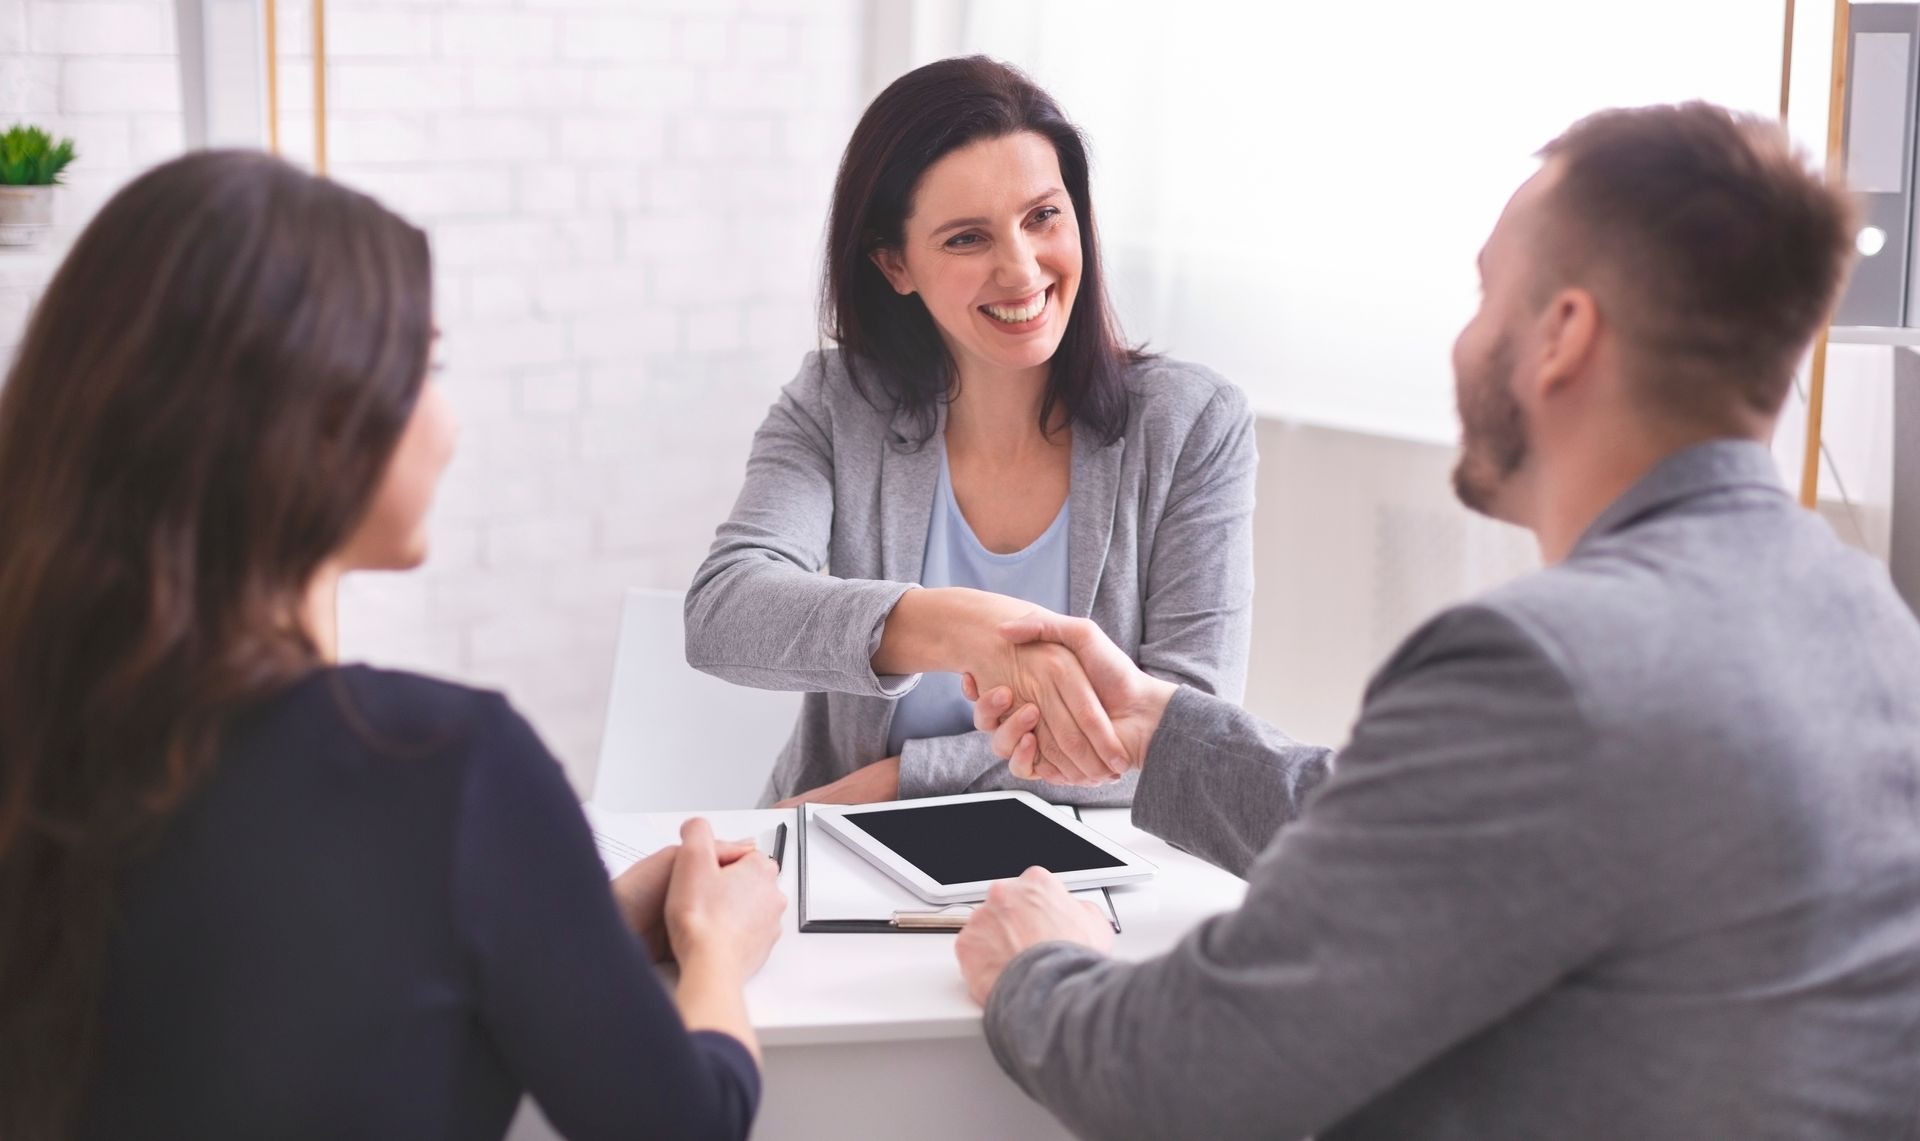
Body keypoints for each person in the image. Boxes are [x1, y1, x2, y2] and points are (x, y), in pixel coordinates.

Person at [955, 103, 1920, 1139]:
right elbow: (1453, 842)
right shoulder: (1867, 620)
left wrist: (1037, 965)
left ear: (1562, 336)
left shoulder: (1545, 665)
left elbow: (1188, 1075)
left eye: (1485, 292)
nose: (1464, 336)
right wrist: (1164, 730)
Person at [0, 151, 786, 1141]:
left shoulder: (43, 740)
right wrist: (717, 949)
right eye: (428, 367)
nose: (447, 422)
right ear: (314, 423)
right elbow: (684, 1126)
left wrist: (571, 916)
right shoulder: (444, 768)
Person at [685, 56, 1257, 807]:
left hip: (1075, 875)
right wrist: (966, 628)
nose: (1021, 271)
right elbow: (723, 612)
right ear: (896, 264)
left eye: (1043, 216)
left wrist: (902, 781)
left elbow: (1186, 733)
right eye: (966, 239)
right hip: (838, 863)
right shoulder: (835, 402)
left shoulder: (1193, 425)